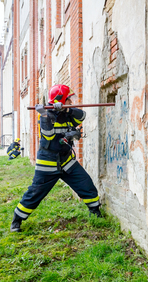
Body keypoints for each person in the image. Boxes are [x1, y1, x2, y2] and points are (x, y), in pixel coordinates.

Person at [10, 84, 102, 232]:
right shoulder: (46, 115)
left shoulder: (67, 113)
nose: (72, 102)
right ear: (61, 99)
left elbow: (82, 115)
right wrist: (45, 115)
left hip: (66, 160)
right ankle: (17, 219)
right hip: (48, 162)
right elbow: (49, 135)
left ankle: (95, 212)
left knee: (85, 183)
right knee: (35, 193)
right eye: (69, 100)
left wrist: (66, 109)